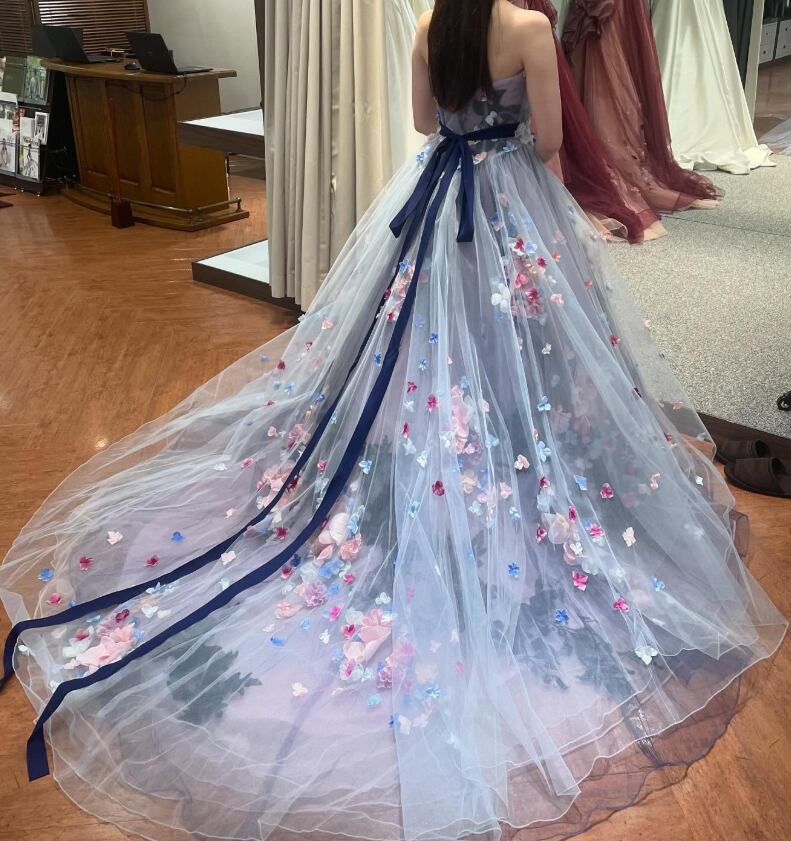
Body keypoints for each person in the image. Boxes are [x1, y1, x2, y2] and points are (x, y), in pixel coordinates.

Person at [0, 2, 784, 840]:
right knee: (526, 353)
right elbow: (551, 143)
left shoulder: (427, 26)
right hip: (506, 198)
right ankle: (520, 463)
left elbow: (420, 121)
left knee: (419, 347)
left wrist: (466, 123)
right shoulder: (527, 29)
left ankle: (417, 467)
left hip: (436, 196)